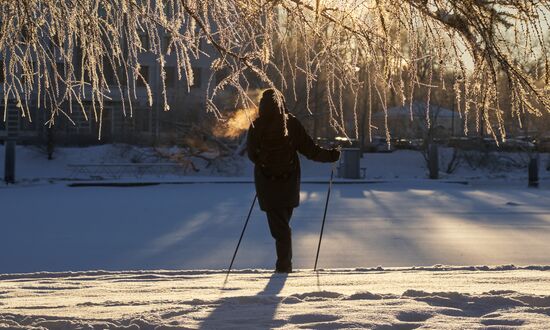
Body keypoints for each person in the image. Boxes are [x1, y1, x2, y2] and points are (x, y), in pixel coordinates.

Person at [247, 89, 340, 273]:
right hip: (288, 183)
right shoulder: (291, 123)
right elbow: (310, 150)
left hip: (267, 183)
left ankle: (283, 266)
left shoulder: (256, 125)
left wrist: (265, 163)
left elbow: (252, 155)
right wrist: (331, 156)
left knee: (279, 226)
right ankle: (284, 265)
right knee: (283, 225)